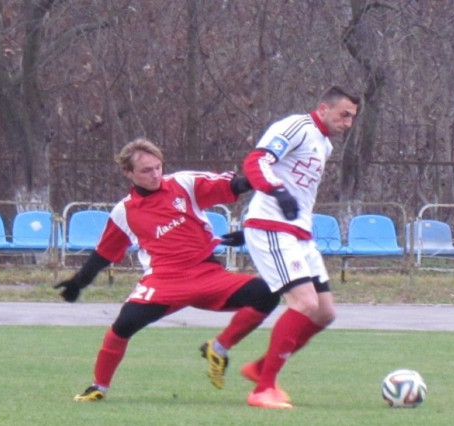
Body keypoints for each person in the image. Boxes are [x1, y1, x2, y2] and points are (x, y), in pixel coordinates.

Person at [54, 138, 279, 402]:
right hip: (163, 282)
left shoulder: (184, 184)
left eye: (158, 167)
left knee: (267, 294)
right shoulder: (124, 212)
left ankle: (218, 348)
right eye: (146, 170)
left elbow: (233, 186)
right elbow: (104, 254)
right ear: (128, 173)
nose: (155, 174)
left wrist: (260, 179)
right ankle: (98, 387)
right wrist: (78, 282)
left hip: (206, 274)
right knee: (122, 326)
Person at [240, 86, 360, 409]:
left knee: (324, 312)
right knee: (304, 302)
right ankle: (263, 389)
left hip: (299, 233)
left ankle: (260, 368)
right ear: (323, 108)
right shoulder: (296, 127)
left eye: (352, 118)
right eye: (343, 115)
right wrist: (276, 192)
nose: (348, 123)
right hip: (271, 226)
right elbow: (256, 161)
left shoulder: (325, 144)